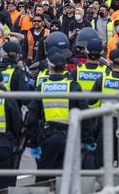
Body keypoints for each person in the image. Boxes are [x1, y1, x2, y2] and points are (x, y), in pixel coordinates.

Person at [26, 51, 93, 184]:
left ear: (50, 68)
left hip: (48, 137)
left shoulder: (42, 87)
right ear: (65, 68)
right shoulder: (73, 86)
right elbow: (85, 115)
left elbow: (32, 117)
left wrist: (33, 143)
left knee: (44, 180)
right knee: (69, 178)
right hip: (71, 138)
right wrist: (89, 139)